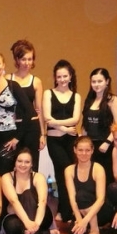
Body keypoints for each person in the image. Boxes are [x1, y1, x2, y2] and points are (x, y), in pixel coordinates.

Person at [42, 59, 82, 222]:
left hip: (71, 141)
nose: (62, 79)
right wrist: (65, 128)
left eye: (65, 76)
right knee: (64, 172)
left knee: (69, 174)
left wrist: (57, 123)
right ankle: (66, 211)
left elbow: (75, 119)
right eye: (59, 76)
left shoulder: (76, 96)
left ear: (70, 76)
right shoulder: (48, 93)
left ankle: (67, 209)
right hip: (55, 141)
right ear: (55, 78)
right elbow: (47, 118)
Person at [1, 149, 58, 234]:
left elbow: (42, 202)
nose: (23, 165)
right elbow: (14, 201)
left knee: (27, 194)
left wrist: (35, 225)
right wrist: (27, 223)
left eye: (27, 162)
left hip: (40, 216)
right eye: (20, 161)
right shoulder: (6, 177)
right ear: (15, 162)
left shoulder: (38, 177)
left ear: (32, 164)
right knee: (12, 226)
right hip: (17, 216)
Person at [8, 40, 46, 171]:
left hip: (32, 128)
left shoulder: (36, 81)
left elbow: (39, 109)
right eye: (23, 59)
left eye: (30, 59)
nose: (27, 63)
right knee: (13, 165)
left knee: (32, 165)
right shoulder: (8, 79)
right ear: (17, 60)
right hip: (14, 127)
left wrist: (42, 134)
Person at [81, 67, 117, 185]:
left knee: (106, 178)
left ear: (107, 81)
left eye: (100, 81)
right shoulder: (89, 100)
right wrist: (83, 141)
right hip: (91, 146)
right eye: (94, 82)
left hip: (106, 146)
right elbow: (85, 124)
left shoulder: (113, 100)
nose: (96, 84)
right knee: (93, 178)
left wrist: (107, 143)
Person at [64, 136, 107, 234]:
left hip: (100, 211)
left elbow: (101, 199)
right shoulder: (69, 170)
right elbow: (72, 198)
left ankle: (95, 230)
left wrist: (85, 220)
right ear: (75, 150)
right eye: (80, 150)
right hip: (81, 212)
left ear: (92, 150)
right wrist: (79, 220)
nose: (84, 153)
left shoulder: (98, 169)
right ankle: (99, 229)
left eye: (87, 150)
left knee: (82, 195)